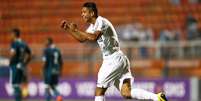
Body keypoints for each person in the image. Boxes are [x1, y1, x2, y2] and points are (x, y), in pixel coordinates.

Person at [61, 2, 168, 101]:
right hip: (120, 59)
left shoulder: (101, 22)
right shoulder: (93, 26)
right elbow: (82, 39)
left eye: (84, 12)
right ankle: (157, 97)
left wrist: (76, 30)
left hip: (112, 60)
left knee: (99, 91)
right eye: (81, 12)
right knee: (126, 93)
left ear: (92, 13)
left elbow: (93, 37)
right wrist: (69, 30)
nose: (82, 14)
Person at [9, 28, 32, 101]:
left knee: (15, 85)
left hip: (15, 66)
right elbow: (30, 54)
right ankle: (22, 98)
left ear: (15, 34)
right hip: (21, 66)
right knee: (19, 85)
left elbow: (13, 53)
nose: (11, 35)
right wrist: (25, 62)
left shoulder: (14, 43)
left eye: (11, 34)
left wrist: (9, 60)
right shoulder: (23, 43)